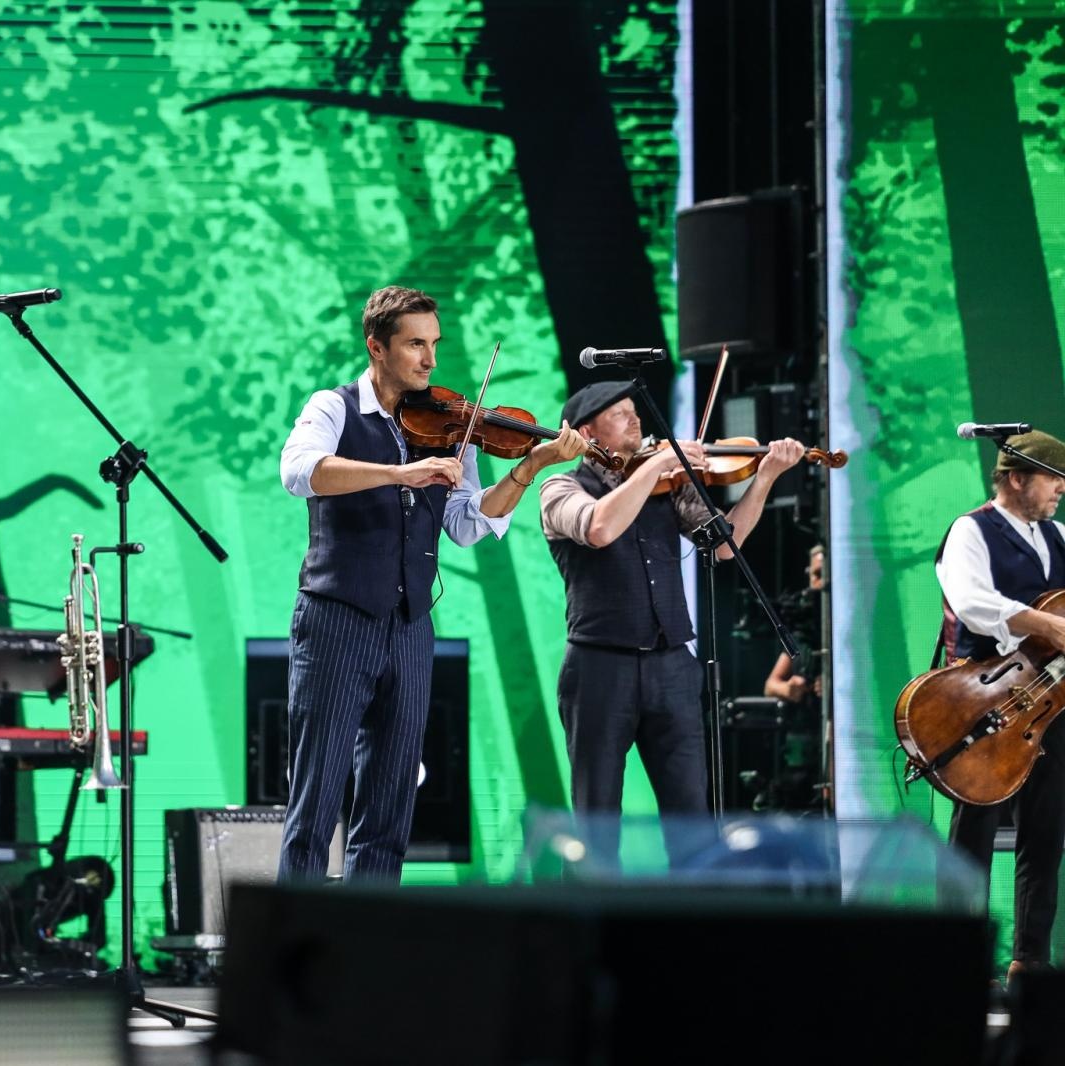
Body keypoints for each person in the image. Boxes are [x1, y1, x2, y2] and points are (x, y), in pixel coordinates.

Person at [276, 285, 586, 882]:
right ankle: (294, 950)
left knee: (391, 803)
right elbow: (299, 472)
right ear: (377, 347)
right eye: (416, 344)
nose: (430, 360)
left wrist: (529, 467)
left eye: (434, 343)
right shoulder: (334, 407)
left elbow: (468, 524)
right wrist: (400, 472)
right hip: (336, 617)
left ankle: (372, 950)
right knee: (316, 799)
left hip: (412, 624)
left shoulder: (449, 426)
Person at [539, 381, 801, 852]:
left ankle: (690, 920)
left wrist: (764, 479)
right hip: (599, 668)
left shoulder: (668, 486)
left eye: (635, 411)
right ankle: (592, 921)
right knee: (596, 821)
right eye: (620, 414)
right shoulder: (561, 487)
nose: (637, 421)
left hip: (671, 666)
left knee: (690, 817)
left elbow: (724, 546)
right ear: (586, 431)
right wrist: (659, 464)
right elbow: (599, 527)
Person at [935, 430, 1065, 984]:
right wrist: (1046, 623)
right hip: (986, 699)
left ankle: (1029, 961)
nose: (1059, 490)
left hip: (1052, 706)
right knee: (974, 831)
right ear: (1016, 478)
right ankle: (957, 962)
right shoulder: (971, 530)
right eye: (1052, 480)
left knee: (1046, 831)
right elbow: (970, 601)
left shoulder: (1057, 534)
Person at [764, 543, 826, 703]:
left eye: (828, 575)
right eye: (817, 575)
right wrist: (789, 688)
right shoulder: (803, 629)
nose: (822, 584)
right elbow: (770, 686)